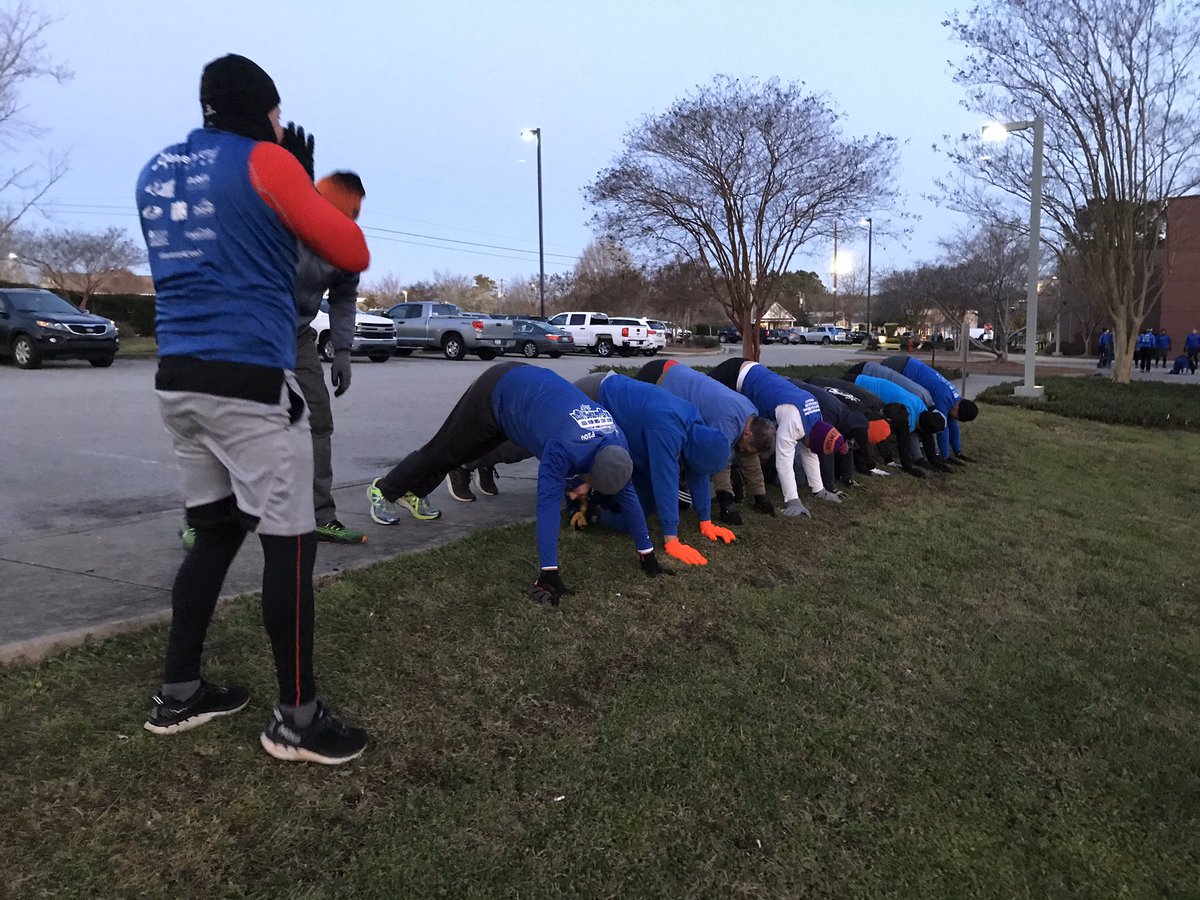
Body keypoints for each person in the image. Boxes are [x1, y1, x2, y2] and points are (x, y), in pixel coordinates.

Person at [137, 54, 370, 764]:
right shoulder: (266, 166)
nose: (281, 125)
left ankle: (179, 693)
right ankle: (296, 721)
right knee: (290, 545)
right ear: (261, 110)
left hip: (179, 379)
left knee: (211, 535)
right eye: (276, 113)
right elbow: (349, 249)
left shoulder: (154, 168)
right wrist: (294, 177)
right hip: (252, 382)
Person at [367, 361, 668, 605]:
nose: (585, 493)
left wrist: (648, 556)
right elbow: (547, 506)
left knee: (462, 455)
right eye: (588, 487)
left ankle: (413, 490)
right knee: (444, 451)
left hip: (526, 396)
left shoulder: (617, 443)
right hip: (496, 389)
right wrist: (548, 573)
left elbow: (627, 495)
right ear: (589, 475)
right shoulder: (563, 446)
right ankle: (384, 489)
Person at [569, 372, 735, 565]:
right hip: (595, 394)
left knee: (644, 505)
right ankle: (580, 504)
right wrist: (671, 540)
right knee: (632, 515)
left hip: (632, 424)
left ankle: (597, 504)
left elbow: (698, 472)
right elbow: (665, 481)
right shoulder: (668, 430)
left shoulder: (696, 429)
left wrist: (706, 522)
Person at [634, 358, 776, 525]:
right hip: (658, 377)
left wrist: (761, 496)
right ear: (747, 433)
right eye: (746, 447)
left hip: (674, 368)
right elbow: (720, 462)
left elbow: (749, 457)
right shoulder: (727, 420)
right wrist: (726, 503)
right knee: (638, 435)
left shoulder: (750, 413)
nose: (743, 451)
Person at [707, 357, 847, 517]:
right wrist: (793, 500)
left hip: (752, 371)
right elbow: (783, 463)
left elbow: (811, 453)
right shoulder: (794, 420)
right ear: (811, 439)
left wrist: (819, 490)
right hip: (735, 375)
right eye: (810, 446)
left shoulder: (816, 418)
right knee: (714, 421)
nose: (808, 449)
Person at [875, 355, 978, 464]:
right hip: (898, 366)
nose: (954, 418)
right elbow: (942, 428)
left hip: (909, 363)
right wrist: (945, 456)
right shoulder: (943, 396)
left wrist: (958, 452)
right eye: (956, 416)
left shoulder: (956, 399)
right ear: (958, 407)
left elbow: (952, 423)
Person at [850, 373, 948, 475]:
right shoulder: (907, 414)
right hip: (857, 387)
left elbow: (927, 437)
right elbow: (903, 443)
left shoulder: (921, 407)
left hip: (862, 382)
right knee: (865, 428)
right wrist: (909, 468)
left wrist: (934, 460)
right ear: (921, 428)